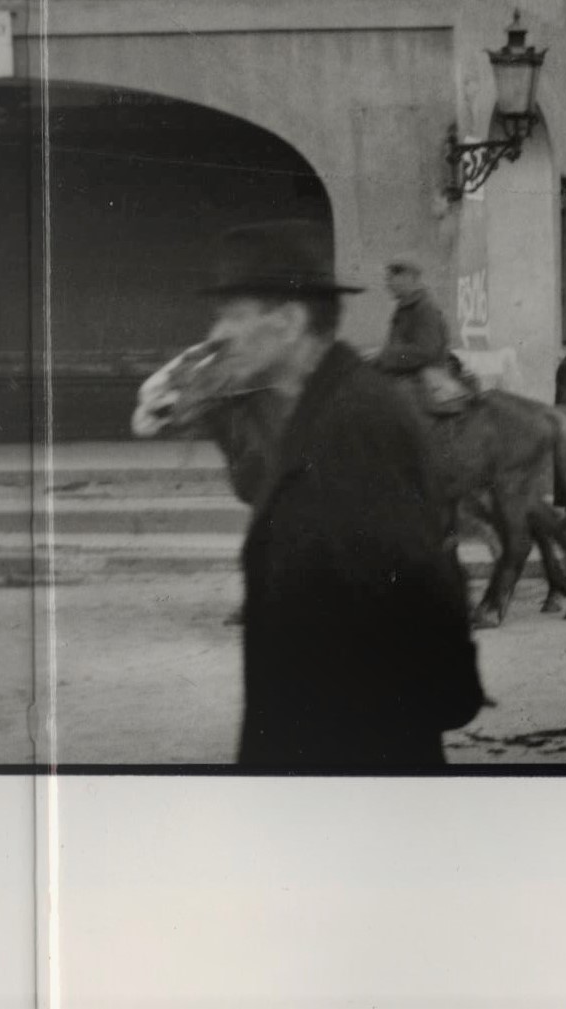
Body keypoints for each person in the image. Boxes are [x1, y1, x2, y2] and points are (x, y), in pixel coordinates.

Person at [199, 221, 486, 769]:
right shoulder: (317, 409)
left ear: (289, 322)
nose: (217, 334)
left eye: (234, 315)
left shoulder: (355, 421)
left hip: (352, 755)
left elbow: (416, 583)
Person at [374, 257, 451, 410]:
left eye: (391, 278)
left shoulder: (425, 308)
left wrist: (388, 356)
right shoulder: (406, 308)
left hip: (426, 379)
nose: (387, 284)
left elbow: (426, 351)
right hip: (408, 376)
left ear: (408, 277)